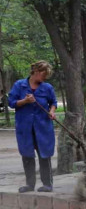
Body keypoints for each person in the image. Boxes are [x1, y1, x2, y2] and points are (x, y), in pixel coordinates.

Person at [8, 61, 57, 193]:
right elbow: (11, 103)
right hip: (25, 127)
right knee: (27, 155)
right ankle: (30, 185)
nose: (45, 77)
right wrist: (24, 101)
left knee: (44, 155)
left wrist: (52, 111)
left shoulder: (47, 87)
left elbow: (53, 102)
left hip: (42, 126)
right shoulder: (19, 85)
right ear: (35, 71)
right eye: (43, 74)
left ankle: (47, 184)